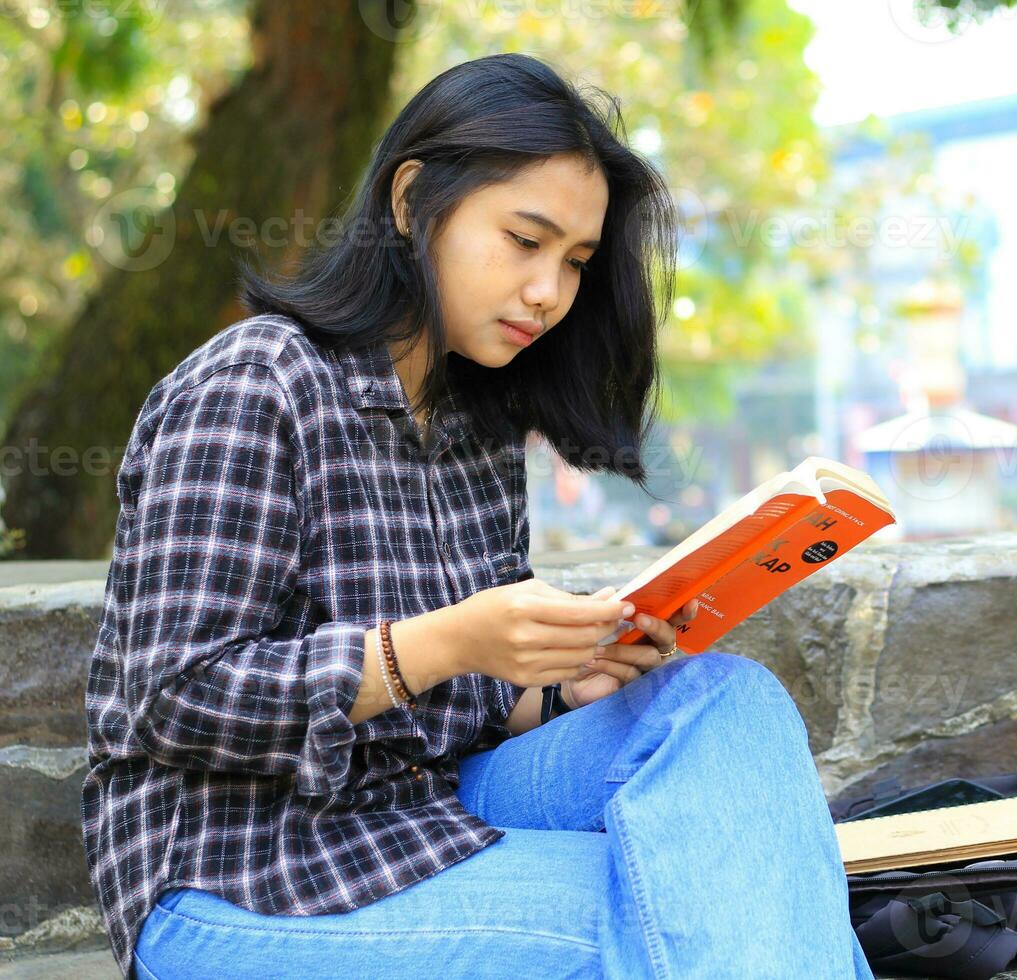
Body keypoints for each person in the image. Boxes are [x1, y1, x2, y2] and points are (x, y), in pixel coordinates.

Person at [81, 53, 874, 979]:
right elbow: (174, 695)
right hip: (235, 877)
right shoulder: (255, 382)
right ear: (413, 200)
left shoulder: (474, 423)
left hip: (429, 817)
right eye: (524, 240)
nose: (549, 291)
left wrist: (564, 685)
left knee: (725, 704)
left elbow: (470, 711)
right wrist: (448, 641)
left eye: (574, 262)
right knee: (698, 912)